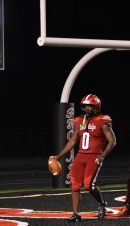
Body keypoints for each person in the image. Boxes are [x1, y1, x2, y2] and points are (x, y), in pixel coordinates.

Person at [50, 94, 117, 222]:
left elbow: (112, 141)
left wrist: (102, 156)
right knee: (74, 186)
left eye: (90, 106)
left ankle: (102, 203)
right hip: (80, 156)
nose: (87, 109)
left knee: (88, 186)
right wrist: (59, 155)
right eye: (85, 106)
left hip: (95, 156)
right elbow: (73, 141)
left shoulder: (103, 120)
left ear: (97, 107)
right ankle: (75, 214)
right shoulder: (79, 121)